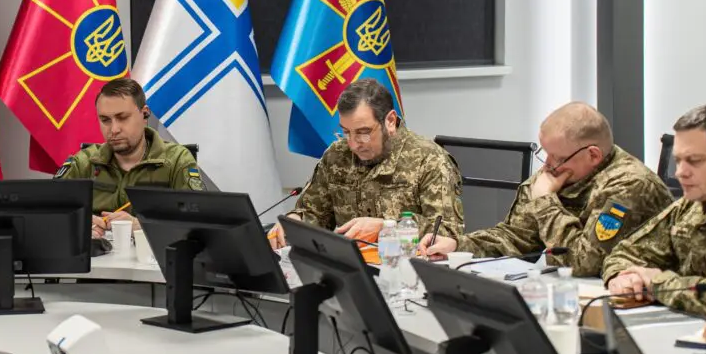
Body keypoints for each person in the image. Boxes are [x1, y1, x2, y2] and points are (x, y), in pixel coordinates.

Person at [421, 102, 671, 277]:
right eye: (546, 153)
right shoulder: (558, 174)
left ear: (593, 155)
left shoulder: (629, 185)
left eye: (558, 157)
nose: (548, 164)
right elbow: (515, 237)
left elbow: (584, 262)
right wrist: (458, 245)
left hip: (627, 303)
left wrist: (545, 202)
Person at [269, 78, 463, 250]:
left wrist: (386, 227)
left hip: (407, 270)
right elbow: (315, 213)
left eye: (363, 133)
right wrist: (296, 221)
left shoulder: (429, 160)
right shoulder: (337, 155)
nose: (353, 144)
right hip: (350, 268)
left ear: (390, 121)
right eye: (346, 132)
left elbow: (446, 233)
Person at [601, 104, 706, 317]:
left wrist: (656, 283)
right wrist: (624, 277)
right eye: (678, 161)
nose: (680, 173)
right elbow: (627, 252)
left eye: (695, 160)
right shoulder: (690, 205)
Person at [54, 78, 202, 241]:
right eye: (105, 120)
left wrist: (143, 226)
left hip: (153, 256)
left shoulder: (177, 161)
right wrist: (76, 224)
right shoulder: (84, 163)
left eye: (123, 117)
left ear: (144, 114)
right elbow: (46, 213)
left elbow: (199, 224)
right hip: (96, 255)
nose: (114, 129)